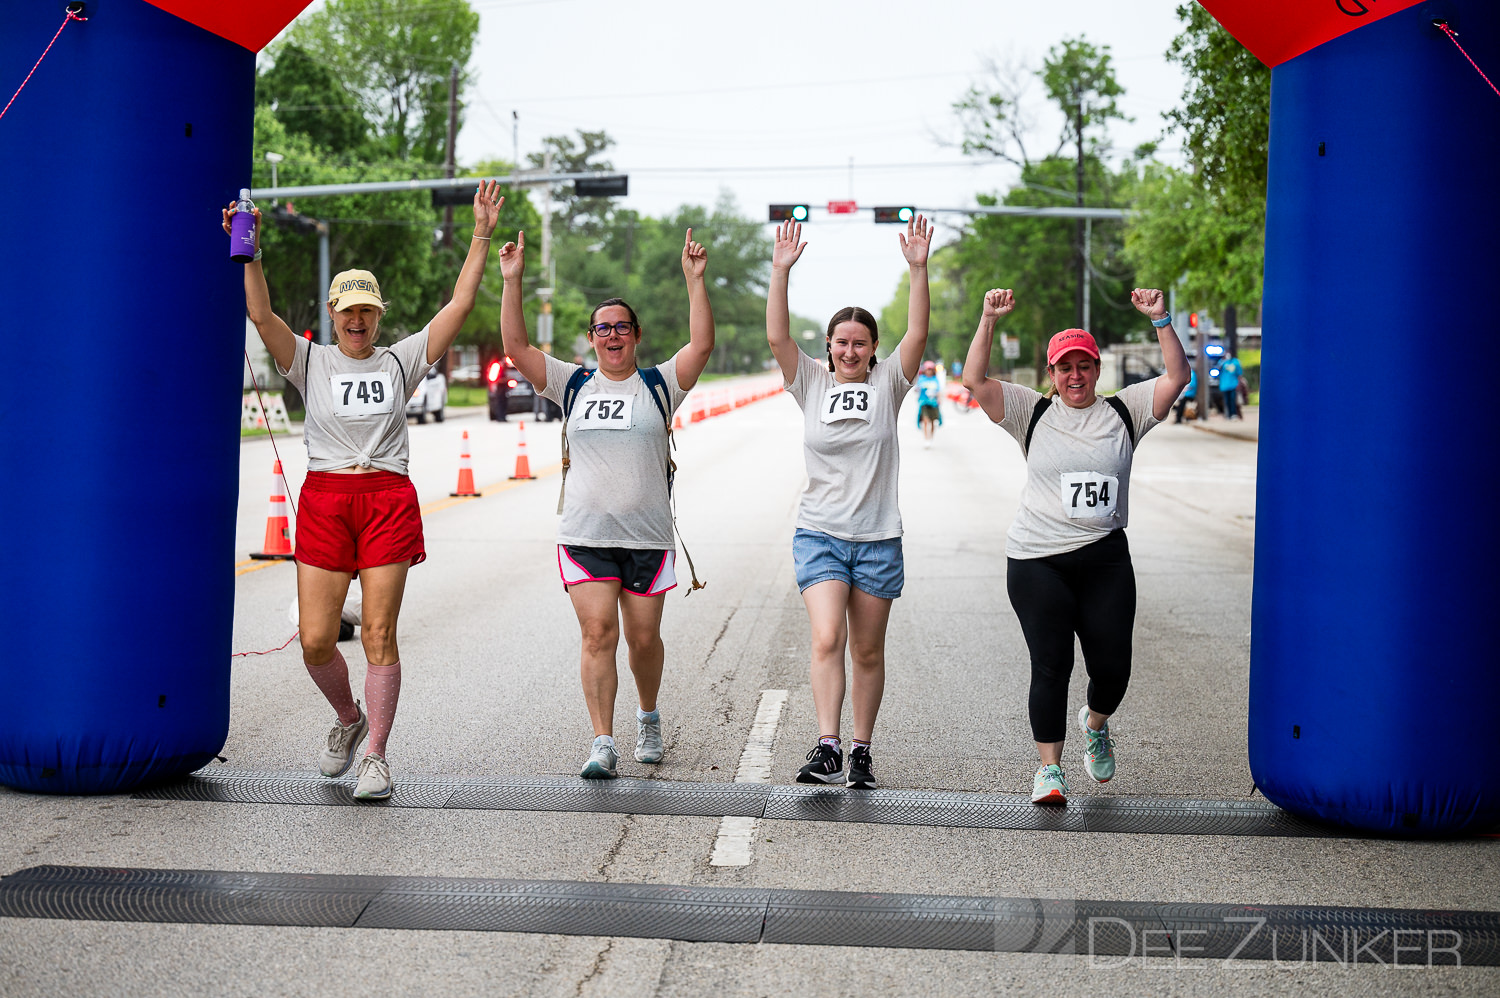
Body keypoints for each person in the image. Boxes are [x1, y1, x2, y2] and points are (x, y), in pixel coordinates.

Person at [225, 180, 504, 800]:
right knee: (318, 640)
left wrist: (480, 232)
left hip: (386, 502)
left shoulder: (399, 362)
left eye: (366, 310)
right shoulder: (310, 362)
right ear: (332, 315)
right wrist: (252, 253)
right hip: (326, 500)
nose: (356, 319)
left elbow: (458, 305)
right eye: (346, 309)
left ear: (378, 316)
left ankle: (376, 754)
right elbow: (262, 315)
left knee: (379, 632)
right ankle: (349, 720)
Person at [497, 228, 715, 779]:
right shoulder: (572, 384)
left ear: (636, 335)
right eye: (602, 328)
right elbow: (517, 349)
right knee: (598, 634)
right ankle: (602, 740)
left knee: (643, 639)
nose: (612, 335)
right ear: (591, 338)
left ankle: (647, 715)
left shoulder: (660, 384)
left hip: (647, 538)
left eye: (621, 327)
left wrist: (695, 281)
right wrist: (513, 279)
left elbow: (702, 345)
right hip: (586, 535)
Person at [962, 287, 1190, 805]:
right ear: (1052, 375)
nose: (1075, 376)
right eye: (1065, 368)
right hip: (1037, 558)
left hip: (1105, 557)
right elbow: (975, 379)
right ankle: (1049, 771)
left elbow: (1177, 377)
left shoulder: (1126, 411)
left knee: (1113, 668)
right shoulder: (1031, 411)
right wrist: (988, 320)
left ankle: (1094, 722)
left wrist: (1161, 319)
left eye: (1084, 366)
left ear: (1096, 370)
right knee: (1051, 665)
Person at [766, 216, 932, 789]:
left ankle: (861, 749)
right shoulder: (810, 381)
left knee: (867, 649)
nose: (851, 350)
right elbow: (777, 339)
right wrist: (780, 272)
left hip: (879, 537)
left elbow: (918, 335)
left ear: (872, 349)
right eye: (841, 342)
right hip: (821, 534)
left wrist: (917, 268)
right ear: (830, 347)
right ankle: (827, 743)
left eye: (860, 343)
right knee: (826, 637)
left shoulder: (890, 383)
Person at [915, 360, 943, 446]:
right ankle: (926, 438)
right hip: (924, 403)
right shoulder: (921, 379)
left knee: (932, 421)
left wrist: (939, 399)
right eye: (928, 369)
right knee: (926, 421)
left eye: (931, 369)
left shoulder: (935, 379)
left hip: (934, 403)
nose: (929, 371)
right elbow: (917, 389)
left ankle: (931, 437)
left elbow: (938, 391)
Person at [1218, 351, 1244, 420]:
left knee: (1233, 400)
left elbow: (1239, 374)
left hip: (1233, 384)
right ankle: (1228, 415)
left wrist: (1239, 383)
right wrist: (1223, 361)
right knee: (1227, 401)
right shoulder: (1222, 362)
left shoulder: (1235, 362)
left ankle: (1234, 414)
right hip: (1224, 385)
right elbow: (1218, 370)